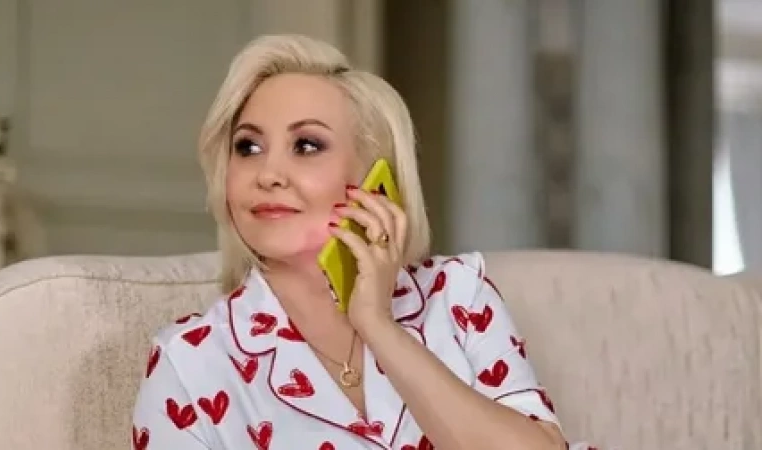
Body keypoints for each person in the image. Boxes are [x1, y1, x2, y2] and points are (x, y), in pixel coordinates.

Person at [132, 34, 590, 450]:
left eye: (306, 145)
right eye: (247, 147)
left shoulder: (458, 295)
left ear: (375, 175)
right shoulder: (191, 362)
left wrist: (378, 326)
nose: (268, 175)